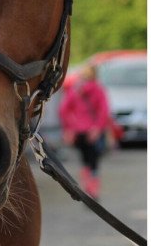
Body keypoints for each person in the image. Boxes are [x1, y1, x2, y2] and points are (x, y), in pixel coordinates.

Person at [58, 63, 111, 200]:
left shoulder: (75, 90)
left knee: (84, 160)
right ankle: (93, 190)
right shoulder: (98, 89)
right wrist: (97, 128)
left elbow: (64, 110)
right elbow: (104, 111)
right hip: (93, 132)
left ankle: (86, 188)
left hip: (78, 132)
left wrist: (69, 128)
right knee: (94, 161)